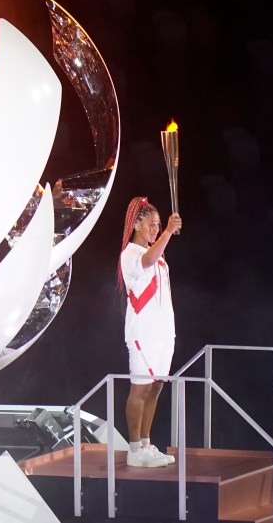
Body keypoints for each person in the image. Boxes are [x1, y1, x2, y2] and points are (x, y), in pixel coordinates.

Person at [118, 196, 182, 468]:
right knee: (140, 389)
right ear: (136, 223)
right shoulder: (131, 254)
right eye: (151, 224)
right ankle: (134, 448)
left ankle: (145, 443)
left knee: (155, 389)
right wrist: (168, 232)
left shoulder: (161, 260)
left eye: (158, 225)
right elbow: (147, 259)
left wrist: (164, 234)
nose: (155, 229)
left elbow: (155, 256)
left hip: (164, 334)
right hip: (142, 334)